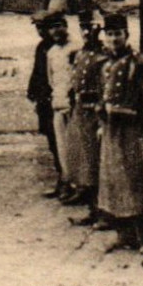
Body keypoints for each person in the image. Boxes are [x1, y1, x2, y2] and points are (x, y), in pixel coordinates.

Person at [97, 12, 143, 255]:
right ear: (104, 37)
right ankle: (124, 236)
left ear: (126, 35)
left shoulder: (141, 64)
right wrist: (102, 113)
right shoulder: (105, 64)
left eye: (118, 34)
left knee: (136, 182)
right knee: (113, 183)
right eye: (109, 34)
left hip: (132, 132)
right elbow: (103, 96)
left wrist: (132, 117)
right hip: (110, 132)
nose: (114, 39)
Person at [63, 12, 107, 217]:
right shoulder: (79, 55)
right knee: (82, 162)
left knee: (95, 164)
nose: (88, 32)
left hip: (94, 115)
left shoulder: (104, 56)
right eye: (84, 28)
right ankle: (91, 207)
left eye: (92, 28)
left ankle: (101, 211)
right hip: (80, 114)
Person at [26, 12, 65, 198]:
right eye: (38, 28)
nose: (40, 32)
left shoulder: (59, 48)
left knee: (62, 144)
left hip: (57, 102)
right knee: (53, 142)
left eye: (44, 28)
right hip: (44, 103)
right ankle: (62, 180)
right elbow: (37, 72)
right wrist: (33, 93)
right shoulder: (42, 47)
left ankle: (67, 181)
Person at [44, 14, 75, 201]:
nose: (55, 31)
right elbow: (51, 79)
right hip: (59, 102)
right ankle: (67, 183)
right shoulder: (51, 52)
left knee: (77, 147)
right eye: (52, 28)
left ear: (65, 26)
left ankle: (80, 187)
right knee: (62, 147)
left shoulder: (76, 48)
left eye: (58, 26)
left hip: (74, 105)